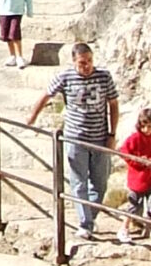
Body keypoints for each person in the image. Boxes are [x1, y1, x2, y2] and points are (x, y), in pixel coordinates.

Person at [29, 41, 119, 250]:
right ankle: (85, 223)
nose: (86, 66)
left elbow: (113, 104)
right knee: (79, 182)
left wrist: (112, 133)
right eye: (82, 63)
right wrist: (32, 116)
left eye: (89, 61)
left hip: (99, 137)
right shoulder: (66, 77)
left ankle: (90, 216)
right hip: (75, 138)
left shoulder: (104, 77)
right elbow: (46, 94)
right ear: (74, 61)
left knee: (100, 183)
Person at [118, 105, 151, 240]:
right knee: (134, 206)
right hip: (137, 181)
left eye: (149, 126)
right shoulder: (134, 139)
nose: (146, 130)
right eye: (143, 126)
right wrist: (138, 161)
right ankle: (124, 228)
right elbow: (124, 152)